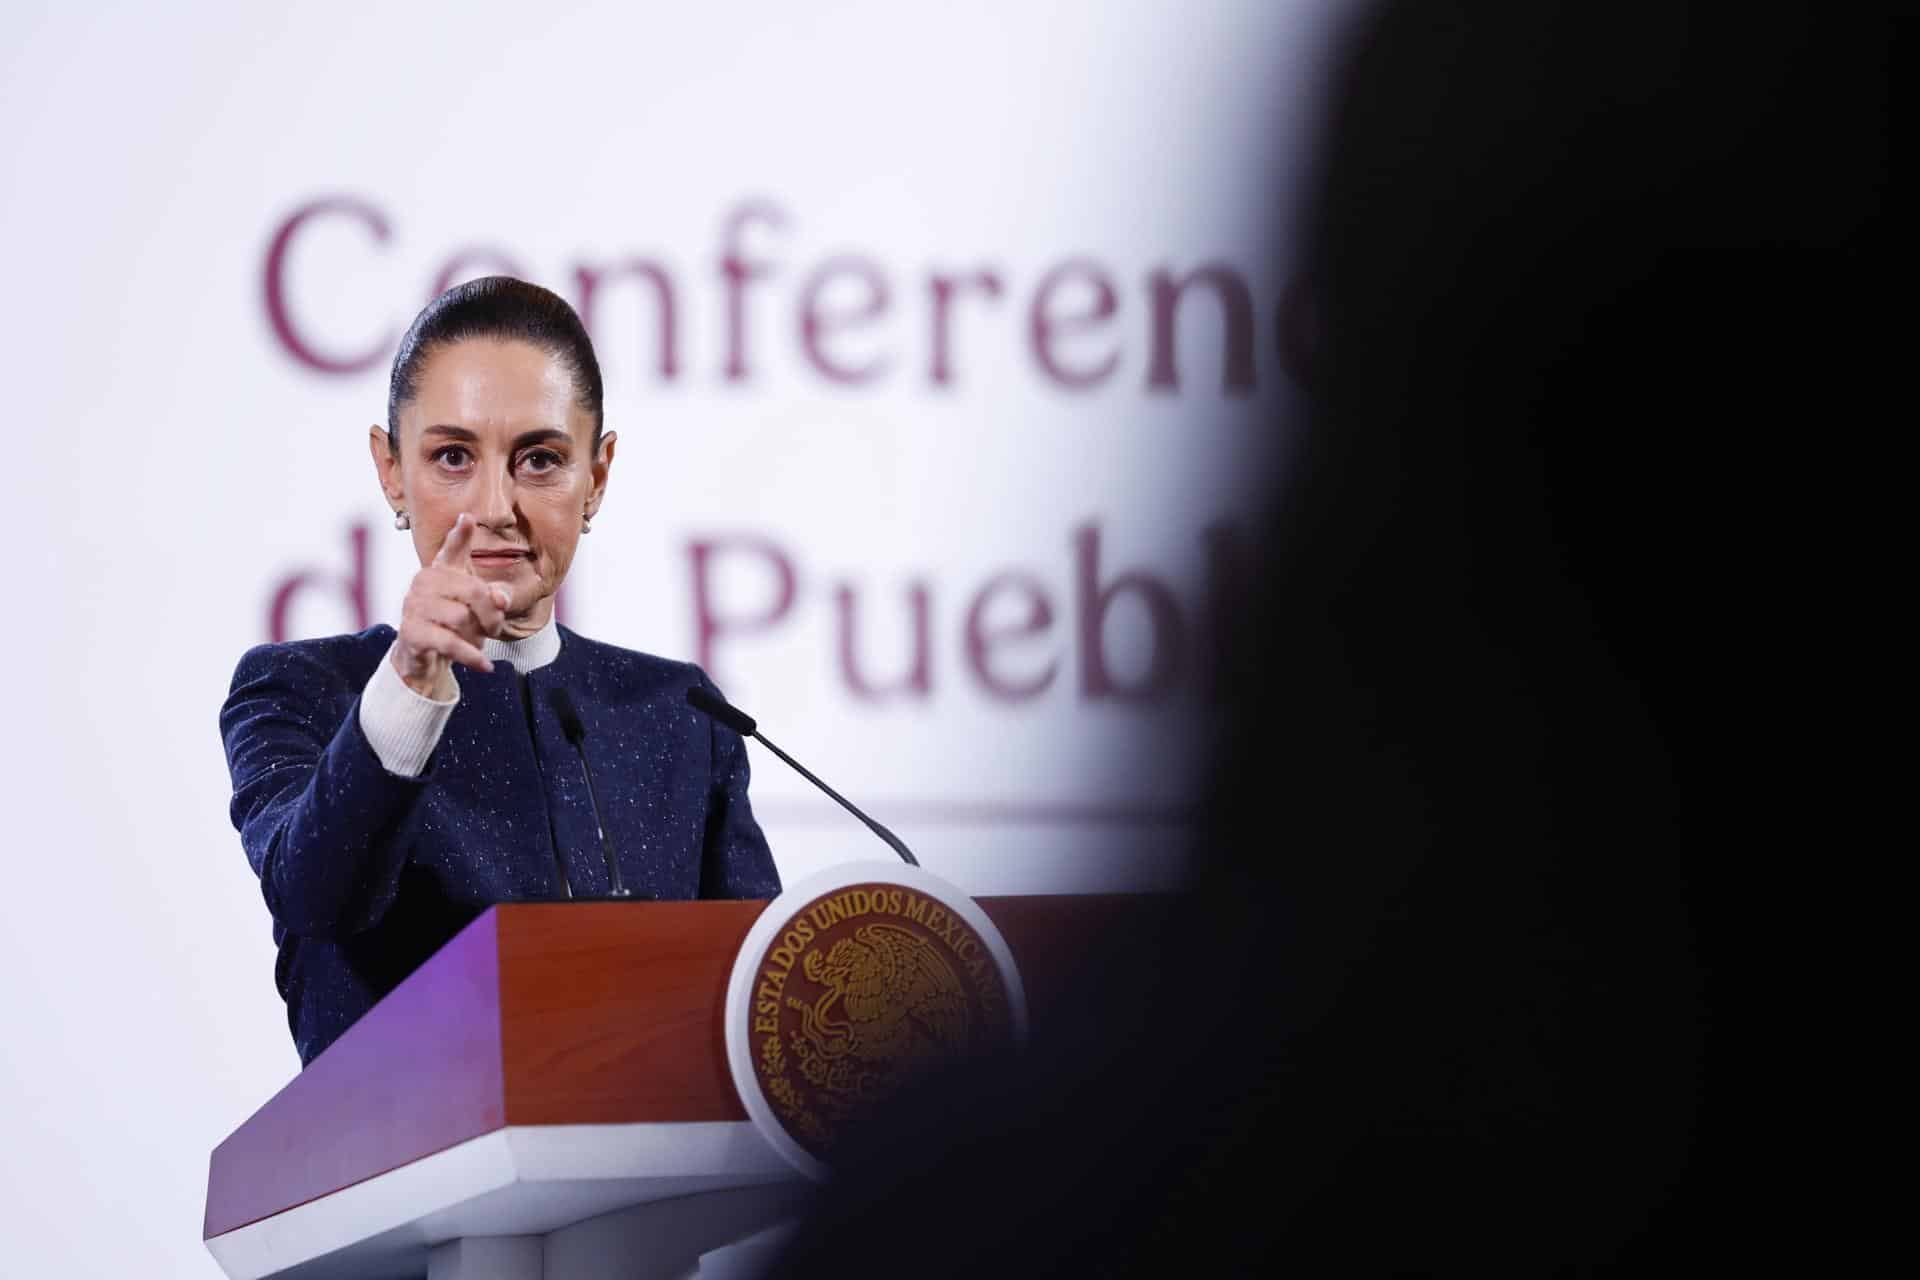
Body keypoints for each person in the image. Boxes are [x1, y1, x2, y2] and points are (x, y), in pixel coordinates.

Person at [220, 276, 780, 1067]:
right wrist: (412, 679)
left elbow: (765, 1008)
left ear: (599, 476)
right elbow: (318, 898)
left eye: (541, 460)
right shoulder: (305, 690)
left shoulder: (681, 711)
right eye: (452, 456)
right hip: (399, 1179)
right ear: (390, 472)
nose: (494, 506)